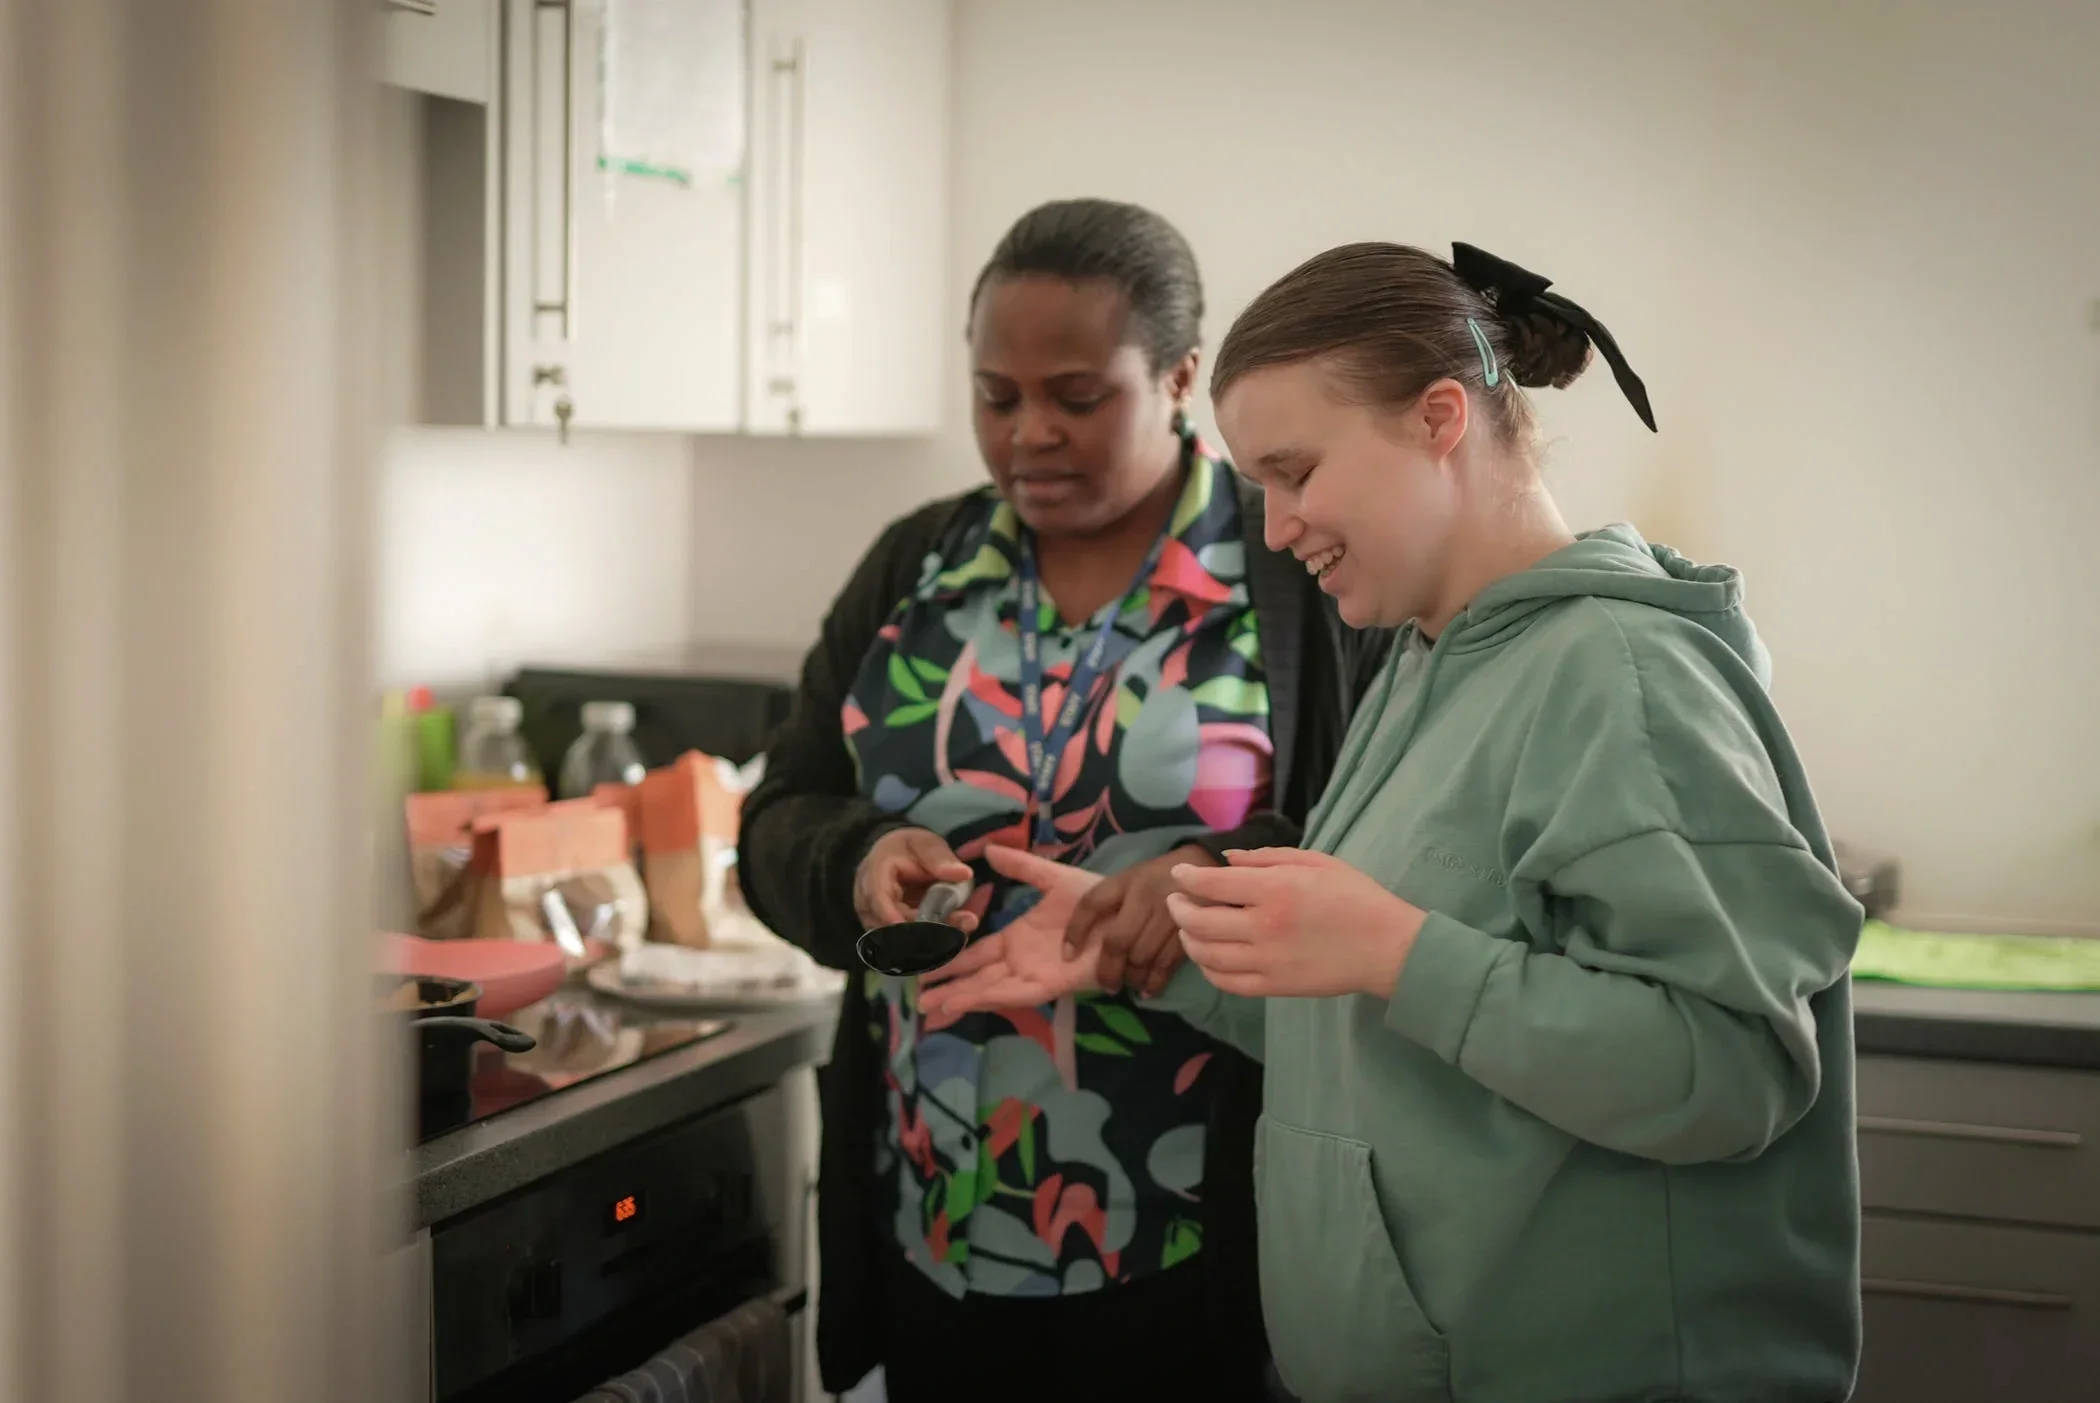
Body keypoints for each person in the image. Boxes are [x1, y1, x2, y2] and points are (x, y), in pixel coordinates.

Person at [924, 241, 1865, 1403]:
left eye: (1295, 471)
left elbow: (1733, 1072)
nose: (1273, 529)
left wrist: (1395, 948)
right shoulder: (1428, 662)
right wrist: (1151, 963)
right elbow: (1392, 1023)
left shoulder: (1620, 672)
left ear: (1437, 419)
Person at [735, 199, 1389, 1403]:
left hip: (1195, 1236)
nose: (1029, 432)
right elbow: (777, 812)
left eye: (1078, 397)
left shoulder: (1296, 572)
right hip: (933, 1217)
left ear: (1182, 375)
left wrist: (1214, 876)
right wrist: (859, 856)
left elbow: (1390, 848)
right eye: (996, 395)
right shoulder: (915, 569)